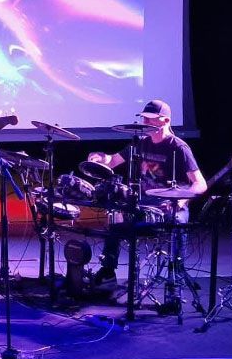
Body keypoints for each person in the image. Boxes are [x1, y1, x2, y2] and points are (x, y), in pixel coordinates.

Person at [87, 99, 206, 284]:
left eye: (150, 119)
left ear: (165, 120)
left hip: (170, 206)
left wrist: (181, 200)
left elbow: (200, 184)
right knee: (115, 223)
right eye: (144, 119)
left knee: (178, 221)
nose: (145, 123)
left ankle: (177, 272)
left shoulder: (179, 147)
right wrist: (100, 157)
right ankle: (108, 271)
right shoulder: (141, 143)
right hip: (144, 205)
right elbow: (113, 160)